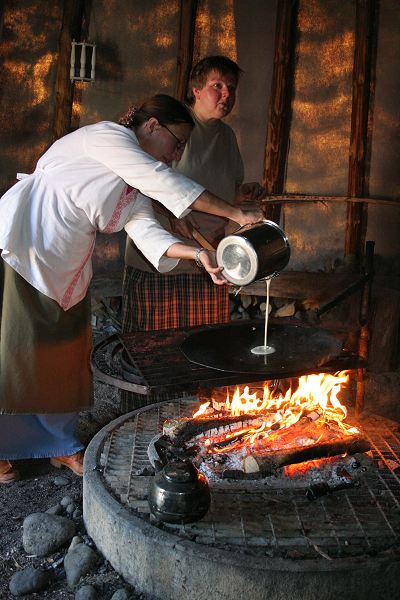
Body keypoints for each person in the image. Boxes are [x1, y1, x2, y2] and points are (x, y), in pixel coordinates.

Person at [0, 93, 263, 483]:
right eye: (177, 143)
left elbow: (146, 231)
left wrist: (197, 255)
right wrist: (234, 211)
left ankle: (58, 444)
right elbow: (164, 181)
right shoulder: (107, 138)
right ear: (152, 125)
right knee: (15, 352)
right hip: (28, 244)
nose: (176, 155)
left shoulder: (130, 183)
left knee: (65, 356)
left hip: (68, 265)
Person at [122, 56, 265, 332]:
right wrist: (172, 214)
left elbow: (226, 193)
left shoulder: (226, 137)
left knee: (204, 349)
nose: (226, 94)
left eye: (232, 88)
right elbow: (140, 180)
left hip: (209, 262)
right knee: (154, 349)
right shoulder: (173, 129)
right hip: (161, 262)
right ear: (196, 90)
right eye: (217, 85)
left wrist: (243, 194)